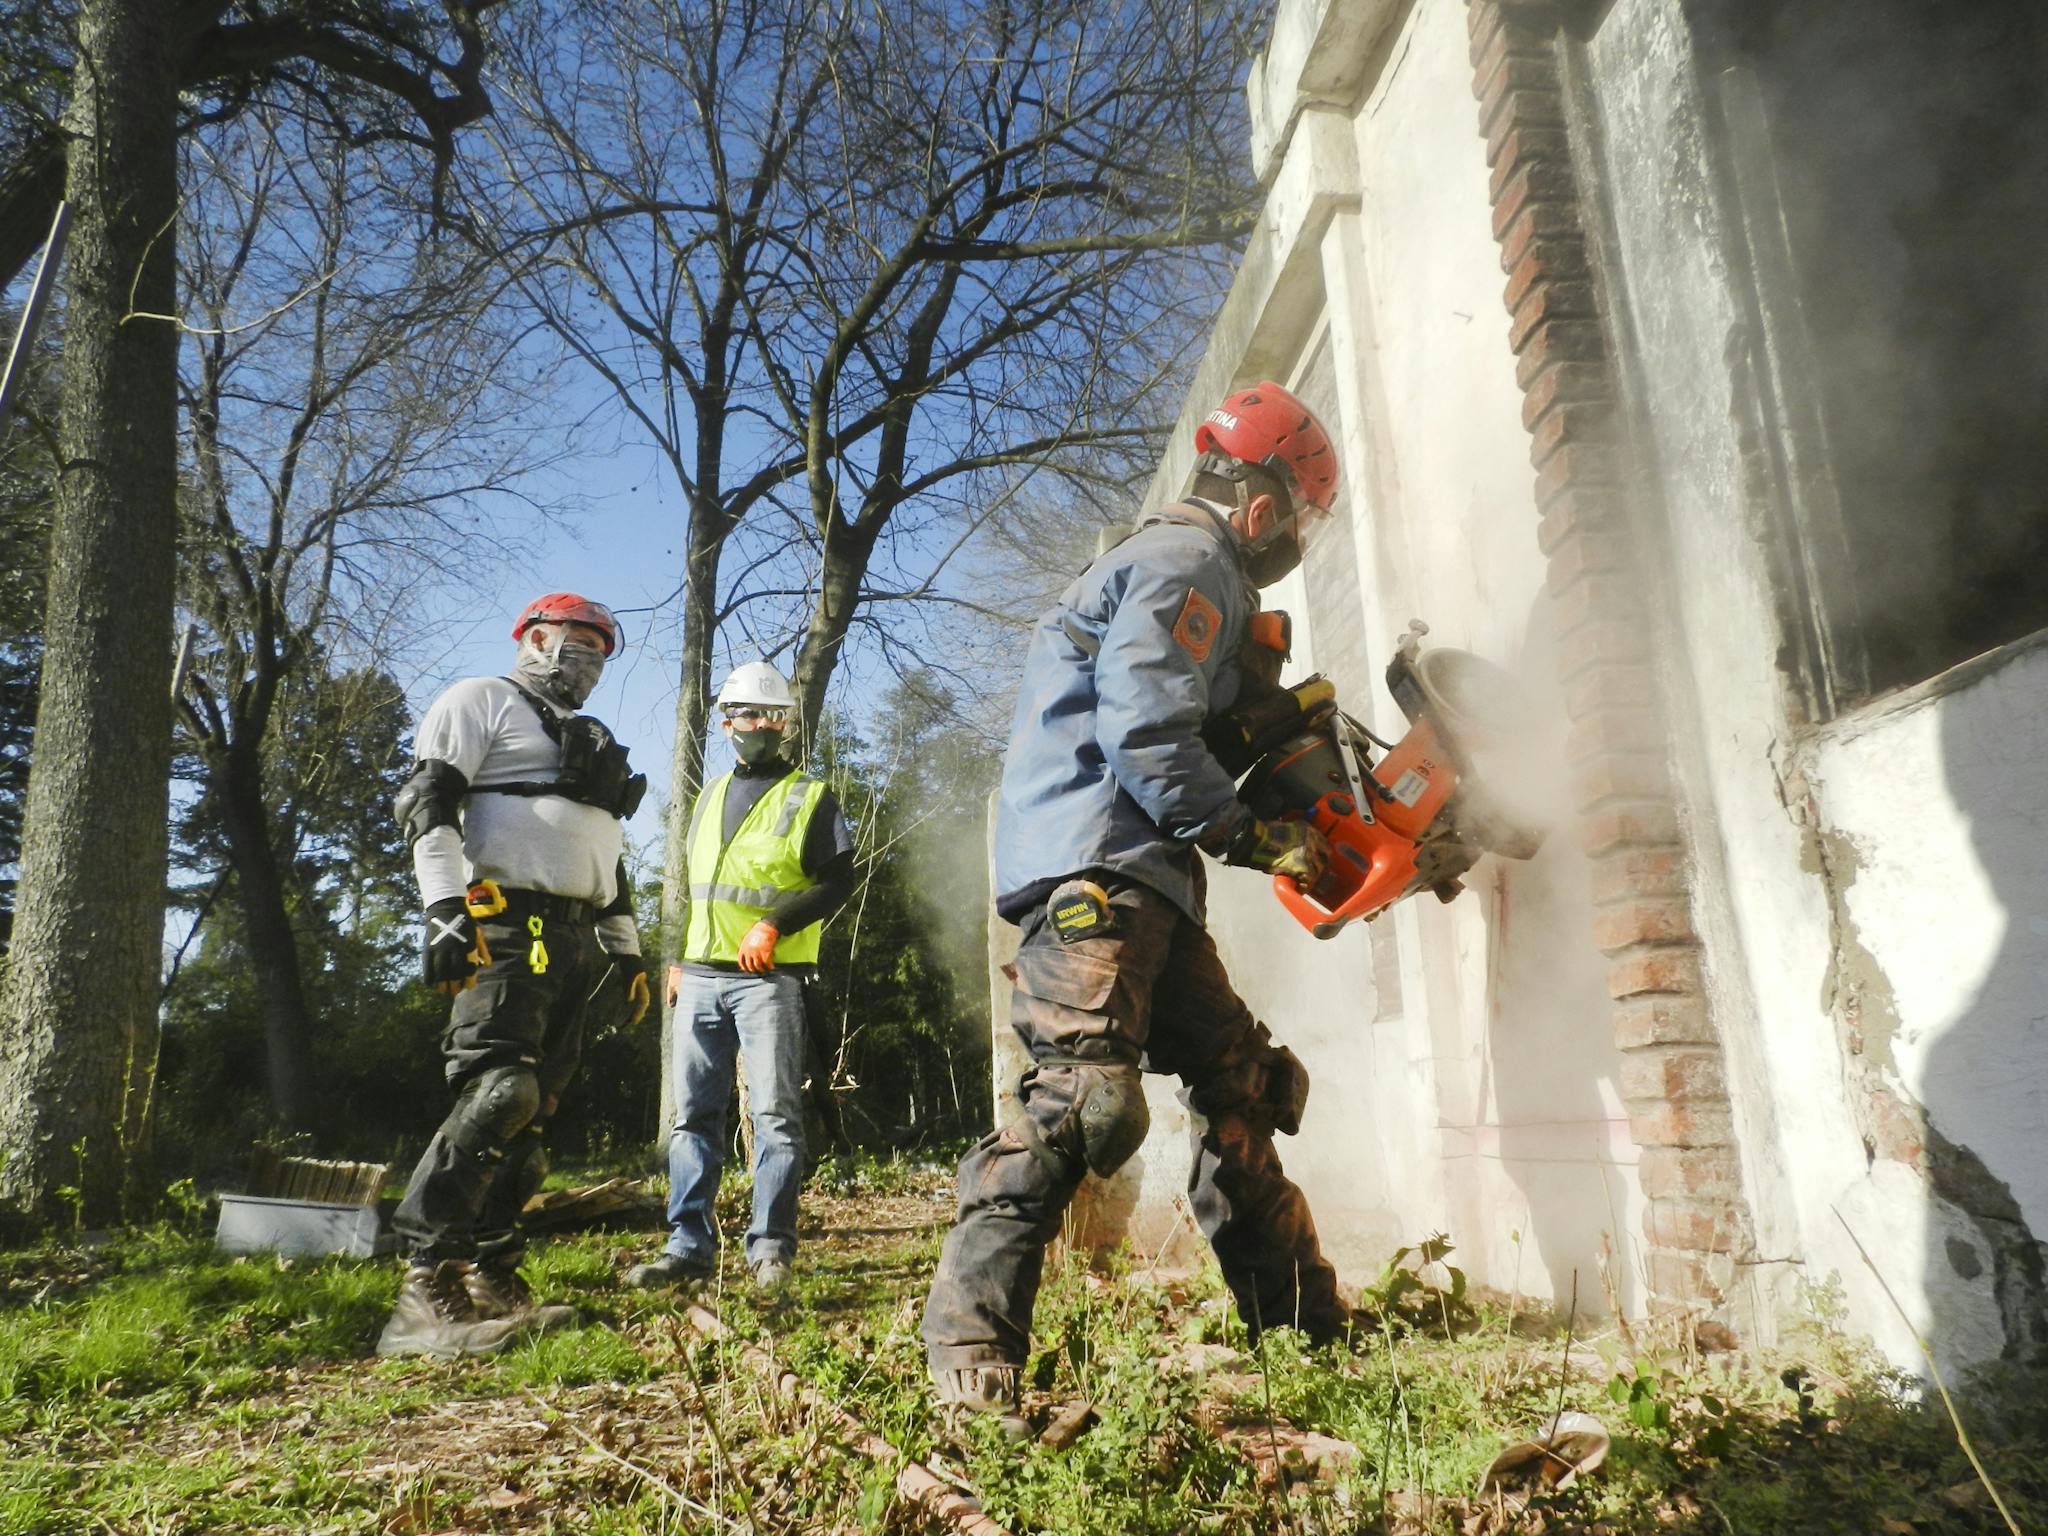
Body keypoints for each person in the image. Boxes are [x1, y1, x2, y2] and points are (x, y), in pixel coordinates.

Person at [921, 381, 1356, 1430]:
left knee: (1238, 1078)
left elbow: (1177, 726)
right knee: (1084, 1102)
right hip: (1097, 873)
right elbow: (1146, 734)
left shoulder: (1174, 571)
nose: (1291, 540)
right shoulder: (1185, 560)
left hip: (1141, 879)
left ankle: (1299, 1328)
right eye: (1295, 518)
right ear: (1259, 505)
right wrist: (1257, 836)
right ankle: (968, 1357)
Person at [379, 593, 652, 1359]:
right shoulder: (479, 700)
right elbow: (429, 802)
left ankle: (492, 1274)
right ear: (534, 639)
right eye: (576, 644)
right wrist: (442, 912)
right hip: (503, 923)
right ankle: (423, 1288)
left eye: (600, 652)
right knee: (502, 1092)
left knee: (534, 1122)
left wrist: (625, 950)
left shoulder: (584, 737)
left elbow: (607, 853)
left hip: (571, 936)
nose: (589, 662)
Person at [626, 660, 857, 1294]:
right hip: (698, 977)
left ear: (785, 723)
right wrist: (676, 955)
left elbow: (840, 879)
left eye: (773, 715)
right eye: (750, 714)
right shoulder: (707, 796)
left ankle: (770, 1253)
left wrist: (774, 925)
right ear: (727, 722)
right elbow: (695, 890)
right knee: (692, 1119)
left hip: (769, 981)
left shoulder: (810, 797)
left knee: (778, 1116)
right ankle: (687, 1247)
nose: (761, 724)